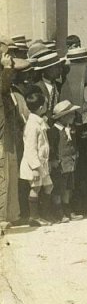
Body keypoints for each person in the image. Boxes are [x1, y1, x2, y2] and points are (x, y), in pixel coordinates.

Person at [1, 49, 27, 229]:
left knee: (10, 173)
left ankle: (10, 214)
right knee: (3, 176)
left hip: (8, 135)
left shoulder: (8, 91)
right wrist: (7, 68)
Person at [20, 90, 53, 226]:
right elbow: (30, 149)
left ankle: (43, 214)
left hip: (42, 163)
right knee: (36, 188)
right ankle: (34, 217)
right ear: (40, 108)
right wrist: (34, 168)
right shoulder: (32, 125)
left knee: (49, 186)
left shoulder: (38, 121)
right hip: (34, 165)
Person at [48, 100, 82, 223]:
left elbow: (74, 144)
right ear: (63, 117)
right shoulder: (54, 131)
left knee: (68, 188)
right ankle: (58, 212)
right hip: (60, 164)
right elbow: (51, 147)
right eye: (71, 114)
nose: (73, 117)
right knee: (58, 188)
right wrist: (53, 159)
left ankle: (67, 210)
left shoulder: (70, 129)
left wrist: (76, 154)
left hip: (70, 163)